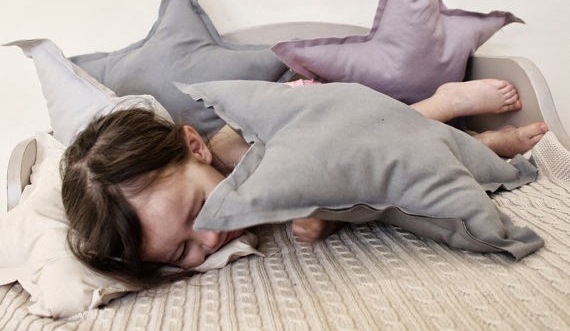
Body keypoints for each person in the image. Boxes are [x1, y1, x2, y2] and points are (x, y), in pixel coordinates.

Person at [61, 79, 548, 288]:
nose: (208, 239)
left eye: (199, 211)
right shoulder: (186, 204)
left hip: (337, 114)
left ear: (196, 147)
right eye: (180, 252)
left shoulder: (243, 150)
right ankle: (478, 144)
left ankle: (448, 106)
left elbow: (347, 169)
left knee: (386, 143)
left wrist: (324, 217)